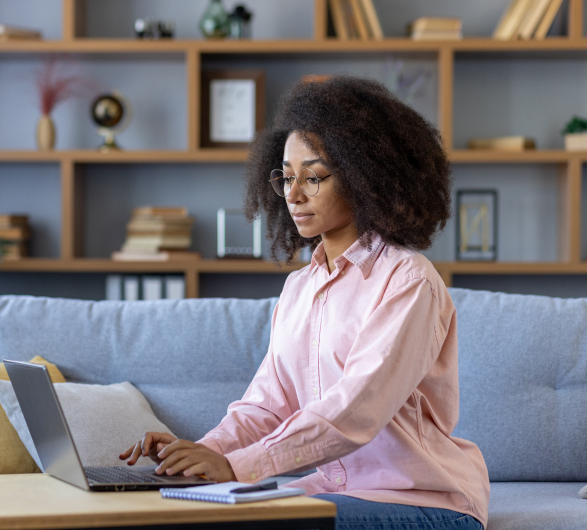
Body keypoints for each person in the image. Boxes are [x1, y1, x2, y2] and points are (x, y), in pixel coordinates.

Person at [120, 75, 489, 530]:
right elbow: (266, 406)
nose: (294, 195)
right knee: (176, 514)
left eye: (313, 177)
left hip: (424, 500)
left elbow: (356, 409)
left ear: (364, 175)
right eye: (287, 177)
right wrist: (203, 454)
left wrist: (238, 468)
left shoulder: (408, 280)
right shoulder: (300, 288)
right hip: (331, 492)